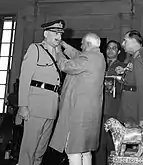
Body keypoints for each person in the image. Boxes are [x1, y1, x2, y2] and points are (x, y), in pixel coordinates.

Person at [49, 33, 106, 165]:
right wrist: (64, 45)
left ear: (88, 44)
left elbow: (66, 66)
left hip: (78, 112)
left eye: (82, 43)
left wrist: (58, 51)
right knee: (85, 150)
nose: (80, 46)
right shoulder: (98, 57)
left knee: (73, 149)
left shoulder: (88, 58)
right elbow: (78, 55)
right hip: (90, 112)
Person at [17, 19, 64, 165]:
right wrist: (22, 106)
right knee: (28, 149)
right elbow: (25, 78)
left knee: (41, 150)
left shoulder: (58, 54)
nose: (59, 37)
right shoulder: (35, 49)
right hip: (35, 107)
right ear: (45, 33)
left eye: (60, 34)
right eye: (55, 33)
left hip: (51, 108)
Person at [116, 30, 143, 129]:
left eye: (125, 41)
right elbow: (133, 80)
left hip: (135, 111)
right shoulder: (136, 57)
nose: (122, 44)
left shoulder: (140, 59)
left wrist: (141, 119)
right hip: (131, 108)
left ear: (134, 41)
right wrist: (124, 74)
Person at [94, 40, 125, 165]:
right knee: (99, 144)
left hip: (114, 109)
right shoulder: (99, 65)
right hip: (98, 109)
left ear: (118, 51)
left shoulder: (123, 67)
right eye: (108, 48)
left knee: (113, 144)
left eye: (114, 48)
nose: (110, 50)